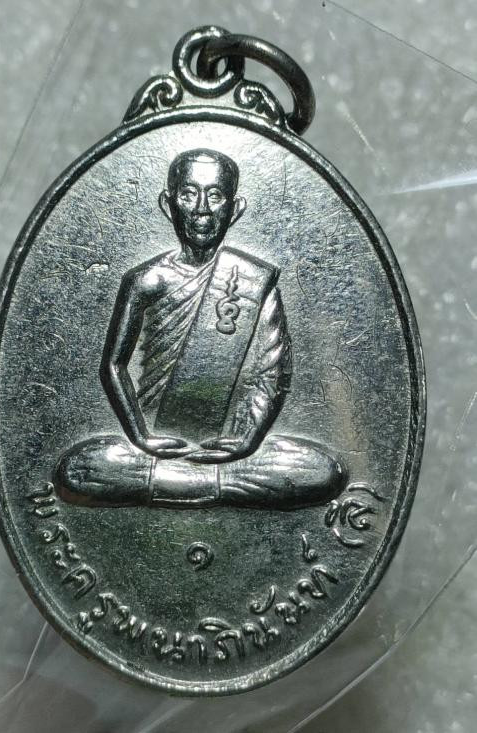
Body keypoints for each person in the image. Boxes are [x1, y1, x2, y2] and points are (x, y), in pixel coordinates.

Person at [54, 149, 345, 509]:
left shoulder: (254, 279)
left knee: (321, 471)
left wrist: (247, 440)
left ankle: (175, 483)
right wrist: (141, 437)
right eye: (189, 194)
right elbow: (113, 366)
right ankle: (219, 485)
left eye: (215, 195)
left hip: (225, 452)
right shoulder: (146, 280)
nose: (202, 210)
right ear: (168, 204)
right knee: (79, 469)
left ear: (234, 209)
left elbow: (273, 373)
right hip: (154, 449)